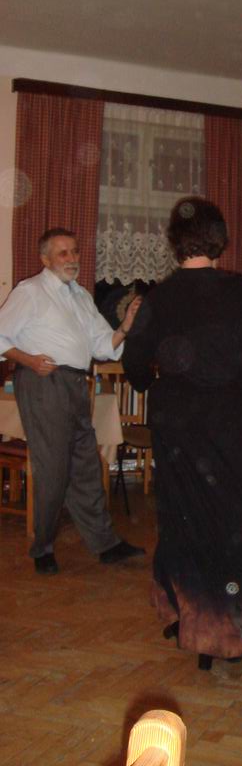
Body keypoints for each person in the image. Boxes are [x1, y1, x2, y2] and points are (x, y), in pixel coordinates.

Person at [122, 196, 242, 670]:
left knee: (185, 520)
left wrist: (166, 377)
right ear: (220, 240)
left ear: (175, 243)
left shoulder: (160, 298)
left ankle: (187, 615)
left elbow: (134, 369)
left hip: (181, 428)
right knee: (239, 523)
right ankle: (238, 629)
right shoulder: (241, 291)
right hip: (235, 425)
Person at [0, 228, 145, 575]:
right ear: (45, 259)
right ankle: (43, 548)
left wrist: (125, 326)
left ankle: (105, 544)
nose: (72, 258)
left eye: (75, 251)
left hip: (78, 384)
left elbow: (102, 345)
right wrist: (28, 360)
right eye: (63, 252)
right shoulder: (30, 291)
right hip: (44, 381)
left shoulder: (80, 295)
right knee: (53, 469)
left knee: (86, 465)